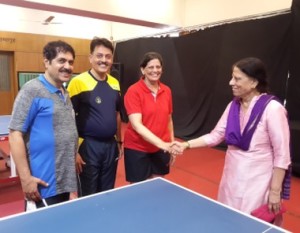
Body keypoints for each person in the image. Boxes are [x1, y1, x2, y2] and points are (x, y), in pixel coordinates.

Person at [174, 57, 291, 225]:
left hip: (258, 183)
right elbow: (215, 136)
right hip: (231, 178)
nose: (231, 82)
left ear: (253, 82)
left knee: (250, 225)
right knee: (228, 221)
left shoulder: (273, 109)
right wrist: (186, 144)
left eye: (237, 78)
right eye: (232, 77)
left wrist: (275, 191)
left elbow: (282, 155)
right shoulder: (233, 105)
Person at [8, 40, 78, 210]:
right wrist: (25, 179)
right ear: (46, 62)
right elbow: (14, 134)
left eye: (70, 62)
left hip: (65, 180)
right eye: (61, 61)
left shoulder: (64, 92)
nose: (67, 66)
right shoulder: (31, 90)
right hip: (43, 183)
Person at [67, 37, 122, 196]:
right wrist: (74, 151)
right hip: (87, 146)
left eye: (108, 56)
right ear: (90, 58)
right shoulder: (78, 82)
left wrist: (119, 140)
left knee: (107, 191)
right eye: (99, 56)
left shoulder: (115, 83)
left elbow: (117, 113)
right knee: (88, 193)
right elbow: (67, 118)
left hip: (110, 146)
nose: (103, 60)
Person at [123, 52, 176, 183]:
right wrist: (163, 144)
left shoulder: (167, 91)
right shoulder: (133, 91)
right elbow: (137, 125)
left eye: (158, 67)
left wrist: (172, 143)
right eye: (151, 67)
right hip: (138, 149)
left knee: (157, 187)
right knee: (138, 191)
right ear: (143, 69)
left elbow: (169, 119)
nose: (155, 70)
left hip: (160, 149)